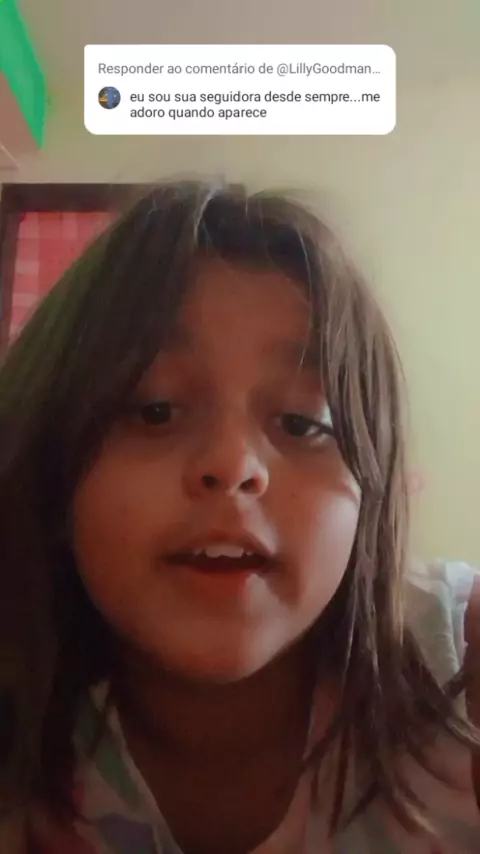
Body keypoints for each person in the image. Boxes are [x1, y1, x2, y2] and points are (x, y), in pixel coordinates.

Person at [0, 180, 479, 854]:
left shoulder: (461, 658)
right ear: (51, 466)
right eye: (156, 409)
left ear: (372, 496)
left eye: (304, 423)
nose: (234, 466)